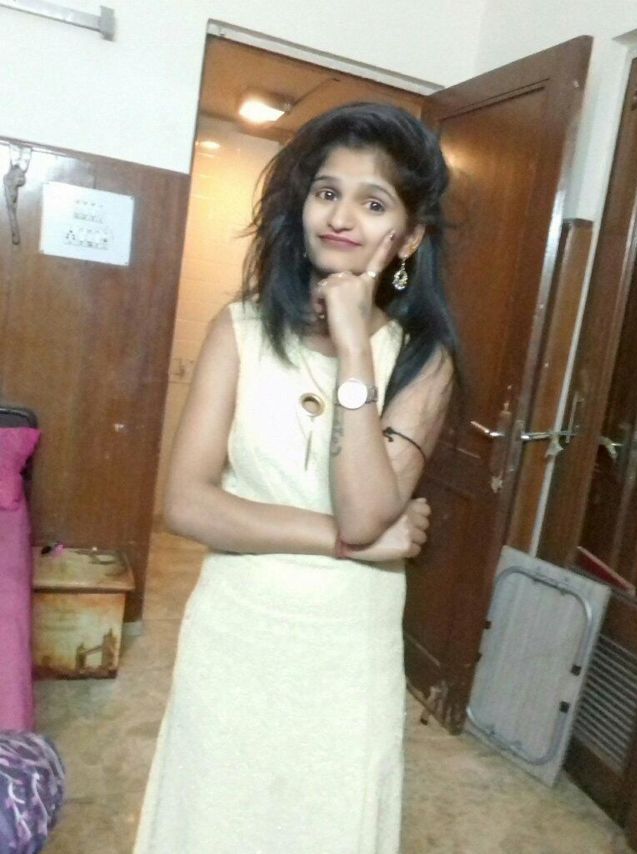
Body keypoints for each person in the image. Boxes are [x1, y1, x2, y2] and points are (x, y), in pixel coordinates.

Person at [133, 101, 457, 854]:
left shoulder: (423, 360)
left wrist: (354, 348)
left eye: (373, 203)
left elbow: (364, 509)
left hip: (347, 649)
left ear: (409, 236)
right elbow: (187, 504)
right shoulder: (239, 329)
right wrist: (346, 544)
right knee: (212, 821)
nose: (341, 216)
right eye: (327, 192)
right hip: (237, 632)